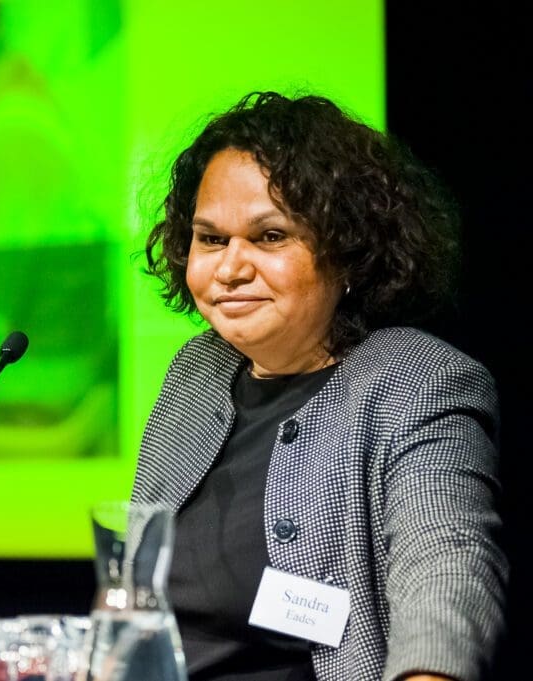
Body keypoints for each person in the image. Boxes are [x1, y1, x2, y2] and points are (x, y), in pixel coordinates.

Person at [131, 91, 507, 681]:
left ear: (349, 251)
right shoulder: (195, 374)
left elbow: (445, 562)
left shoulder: (418, 380)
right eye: (210, 239)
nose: (230, 267)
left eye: (271, 236)